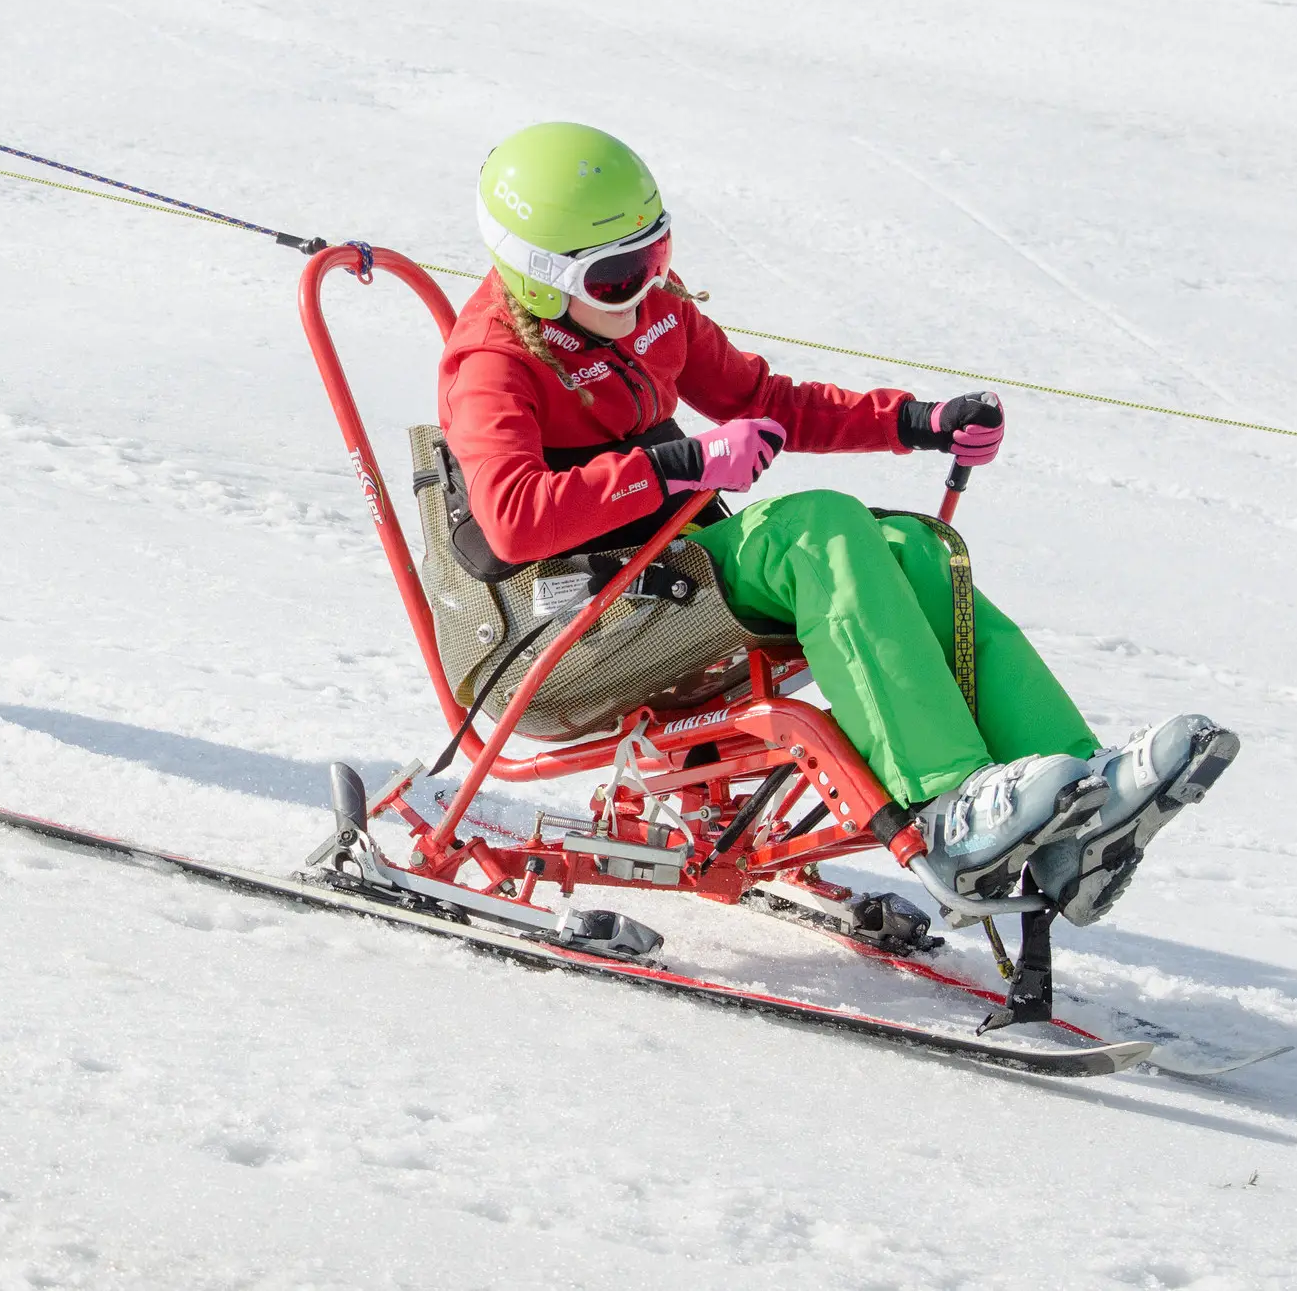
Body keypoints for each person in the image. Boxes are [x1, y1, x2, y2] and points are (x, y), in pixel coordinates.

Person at [436, 122, 1238, 927]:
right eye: (617, 278)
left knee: (913, 549)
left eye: (656, 258)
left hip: (669, 578)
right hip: (571, 630)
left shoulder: (650, 318)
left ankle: (1078, 801)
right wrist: (684, 463)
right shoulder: (494, 364)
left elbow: (768, 402)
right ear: (540, 281)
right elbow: (510, 520)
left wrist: (913, 421)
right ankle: (946, 803)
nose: (647, 289)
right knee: (814, 529)